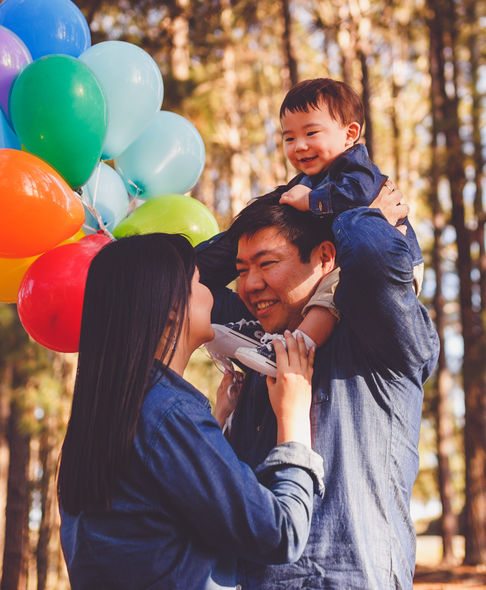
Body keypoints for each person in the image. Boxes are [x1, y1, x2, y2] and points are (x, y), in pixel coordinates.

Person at [198, 188, 438, 589]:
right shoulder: (259, 346)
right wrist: (284, 195)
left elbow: (373, 255)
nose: (250, 284)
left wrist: (341, 204)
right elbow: (178, 281)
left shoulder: (376, 335)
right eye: (242, 270)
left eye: (267, 263)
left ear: (326, 258)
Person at [58, 233, 324, 590]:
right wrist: (293, 420)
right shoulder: (167, 412)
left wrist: (214, 425)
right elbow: (281, 533)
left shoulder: (108, 412)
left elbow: (149, 525)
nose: (211, 294)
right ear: (171, 306)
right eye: (199, 283)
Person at [207, 78, 424, 376]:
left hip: (396, 266)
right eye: (289, 138)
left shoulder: (354, 166)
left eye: (311, 133)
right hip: (354, 261)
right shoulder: (308, 181)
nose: (300, 146)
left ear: (350, 134)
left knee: (332, 287)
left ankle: (297, 345)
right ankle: (266, 335)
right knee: (329, 283)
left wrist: (312, 201)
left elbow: (358, 196)